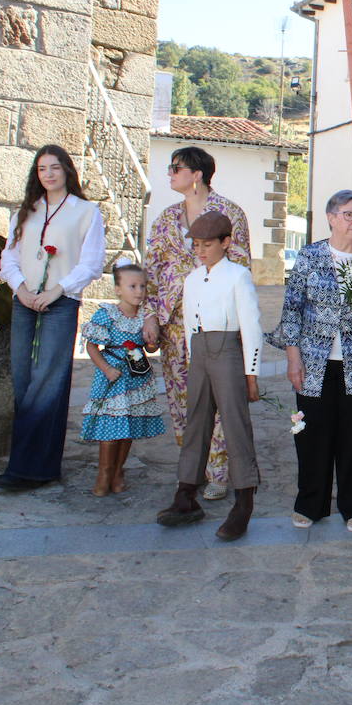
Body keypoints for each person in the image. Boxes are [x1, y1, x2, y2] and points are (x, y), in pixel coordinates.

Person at [268, 191, 352, 533]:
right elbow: (292, 310)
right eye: (348, 215)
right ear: (331, 217)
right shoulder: (310, 256)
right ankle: (310, 503)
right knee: (311, 434)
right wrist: (293, 359)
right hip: (314, 361)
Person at [143, 146, 251, 502]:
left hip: (217, 325)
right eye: (170, 167)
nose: (170, 173)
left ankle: (219, 471)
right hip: (175, 324)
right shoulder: (165, 218)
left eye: (177, 168)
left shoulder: (230, 214)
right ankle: (194, 468)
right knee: (183, 399)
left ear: (198, 174)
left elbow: (241, 268)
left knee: (220, 398)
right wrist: (150, 315)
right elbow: (151, 271)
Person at [0, 145, 107, 490]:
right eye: (42, 169)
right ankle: (38, 465)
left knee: (49, 381)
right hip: (24, 300)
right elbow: (8, 259)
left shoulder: (86, 212)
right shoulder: (26, 212)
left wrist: (57, 290)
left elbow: (91, 263)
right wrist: (23, 290)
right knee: (23, 377)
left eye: (55, 167)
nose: (48, 174)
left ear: (67, 171)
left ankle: (27, 468)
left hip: (61, 301)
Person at [156, 212, 262, 541]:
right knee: (196, 424)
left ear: (225, 243)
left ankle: (244, 502)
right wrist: (190, 361)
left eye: (207, 245)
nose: (200, 251)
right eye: (197, 245)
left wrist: (251, 373)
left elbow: (251, 326)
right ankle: (185, 494)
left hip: (227, 349)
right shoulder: (191, 278)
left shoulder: (237, 276)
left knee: (234, 425)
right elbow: (190, 324)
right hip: (199, 352)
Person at [79, 259, 166, 496]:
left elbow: (148, 349)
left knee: (128, 427)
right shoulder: (107, 314)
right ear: (118, 289)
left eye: (142, 287)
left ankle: (118, 470)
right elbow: (92, 346)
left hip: (135, 378)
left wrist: (151, 342)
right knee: (110, 427)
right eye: (132, 286)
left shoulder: (145, 317)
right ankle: (104, 472)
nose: (139, 292)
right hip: (112, 379)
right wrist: (106, 369)